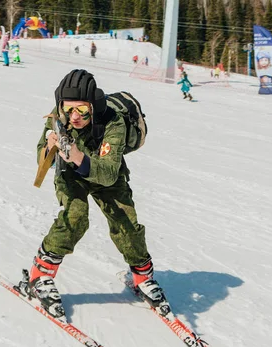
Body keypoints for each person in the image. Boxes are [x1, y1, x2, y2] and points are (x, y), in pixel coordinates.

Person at [25, 69, 171, 319]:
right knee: (75, 216)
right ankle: (40, 276)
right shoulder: (58, 117)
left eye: (82, 110)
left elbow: (108, 174)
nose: (74, 116)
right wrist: (49, 147)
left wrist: (78, 157)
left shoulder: (113, 122)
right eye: (68, 109)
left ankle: (142, 276)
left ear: (93, 105)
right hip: (70, 173)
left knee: (125, 221)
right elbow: (41, 158)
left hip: (103, 169)